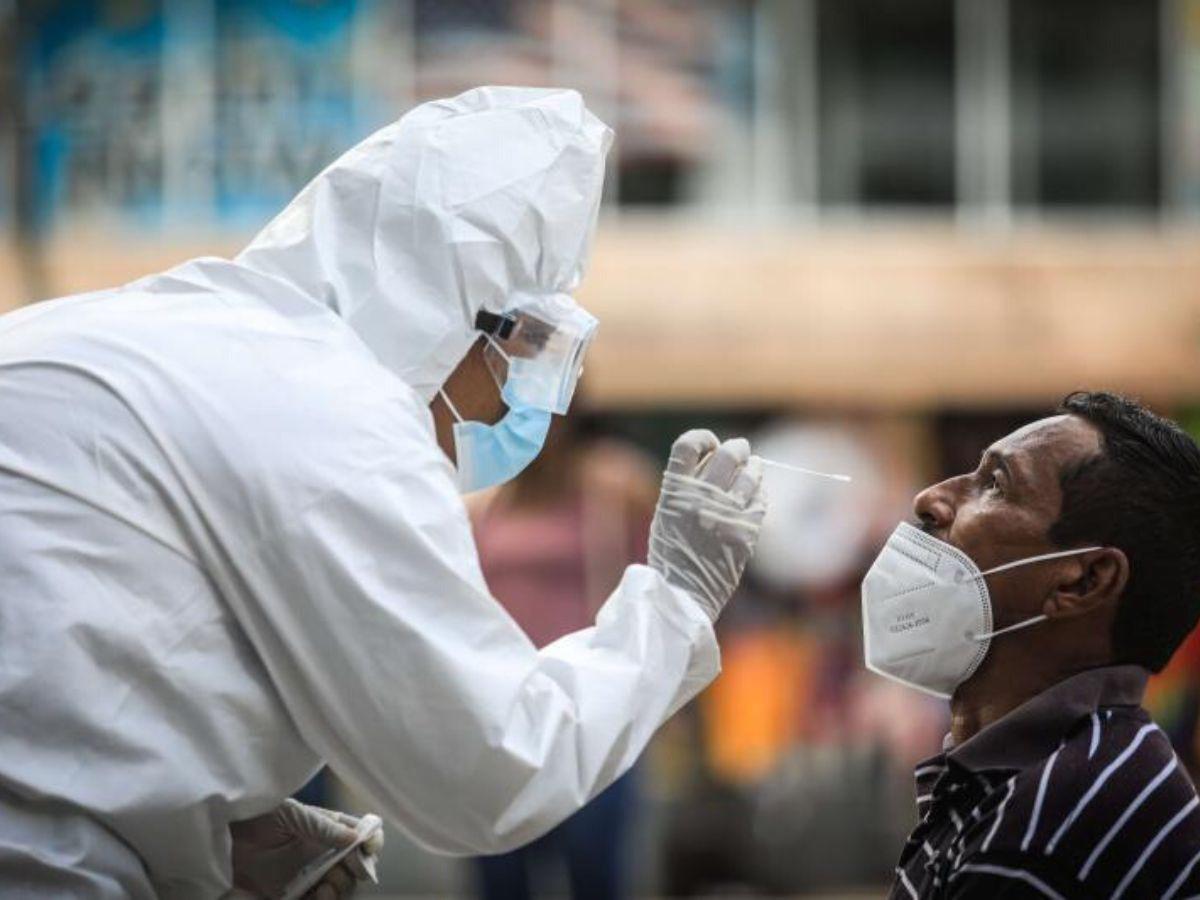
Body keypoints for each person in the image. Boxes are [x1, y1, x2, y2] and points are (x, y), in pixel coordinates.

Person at [0, 87, 766, 898]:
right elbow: (494, 769)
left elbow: (90, 635)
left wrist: (214, 826)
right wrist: (677, 603)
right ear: (460, 324)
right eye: (529, 358)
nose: (522, 408)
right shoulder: (337, 418)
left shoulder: (171, 324)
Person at [861, 391, 1200, 899]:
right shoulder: (1040, 775)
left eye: (995, 484)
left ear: (1083, 582)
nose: (931, 497)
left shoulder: (1055, 824)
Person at [467, 413, 658, 899]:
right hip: (502, 717)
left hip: (590, 715)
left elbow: (651, 591)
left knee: (594, 869)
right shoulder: (481, 501)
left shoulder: (614, 489)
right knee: (501, 877)